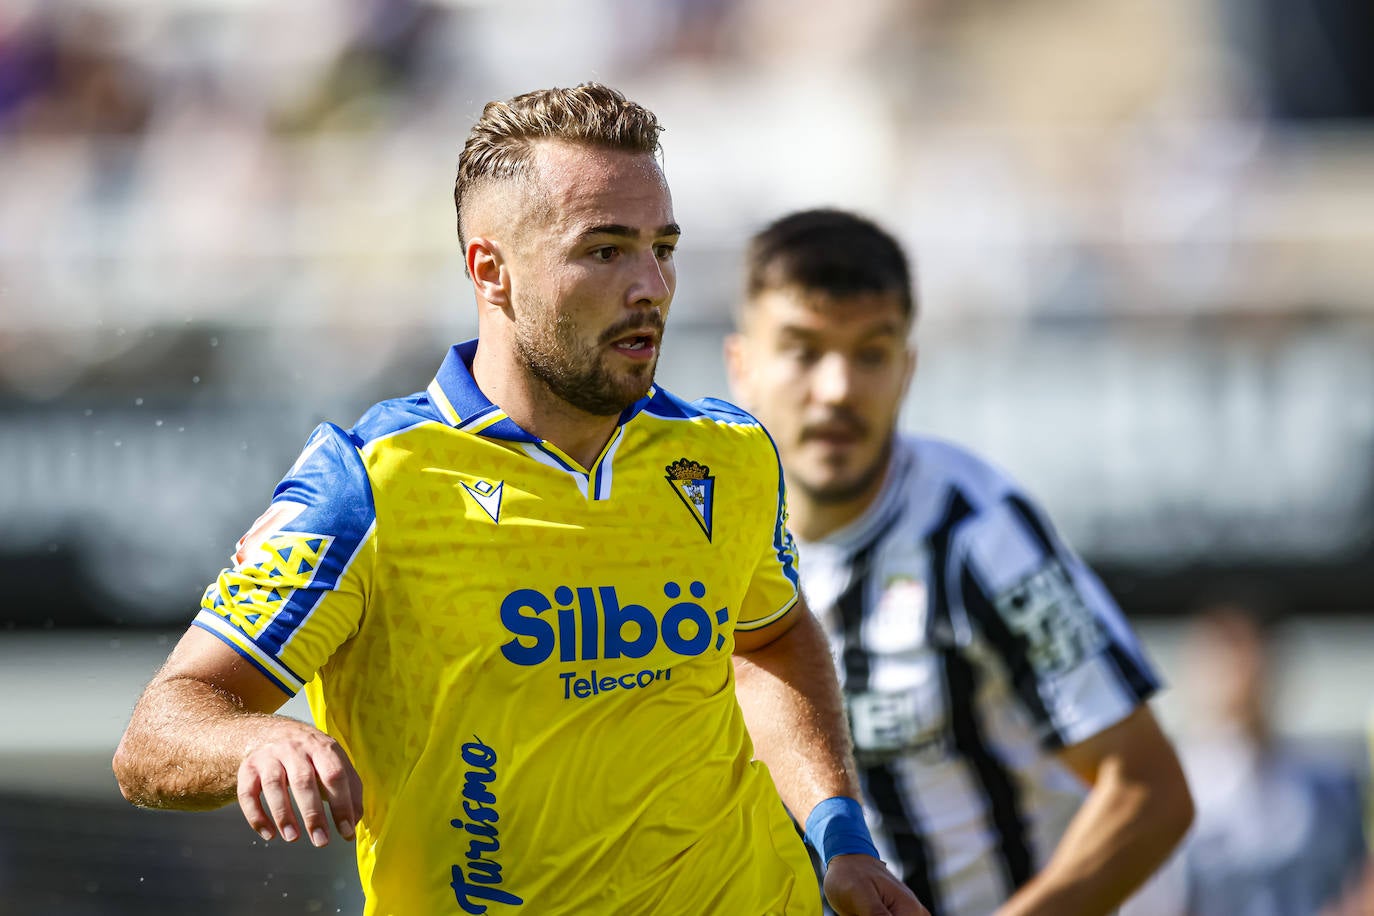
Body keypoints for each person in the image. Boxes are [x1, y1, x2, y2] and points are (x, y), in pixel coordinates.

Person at [112, 86, 924, 916]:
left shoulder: (728, 456)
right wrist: (258, 737)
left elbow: (775, 635)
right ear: (490, 271)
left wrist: (840, 838)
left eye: (662, 247)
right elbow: (156, 735)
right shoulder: (373, 486)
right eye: (605, 251)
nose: (651, 285)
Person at [724, 208, 1194, 916]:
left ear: (907, 370)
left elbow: (1149, 791)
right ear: (743, 367)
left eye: (871, 353)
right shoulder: (704, 539)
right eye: (803, 350)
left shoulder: (977, 535)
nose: (838, 389)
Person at [1123, 600, 1370, 916]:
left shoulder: (1330, 784)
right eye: (1225, 654)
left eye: (1252, 653)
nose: (1243, 671)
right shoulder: (1165, 788)